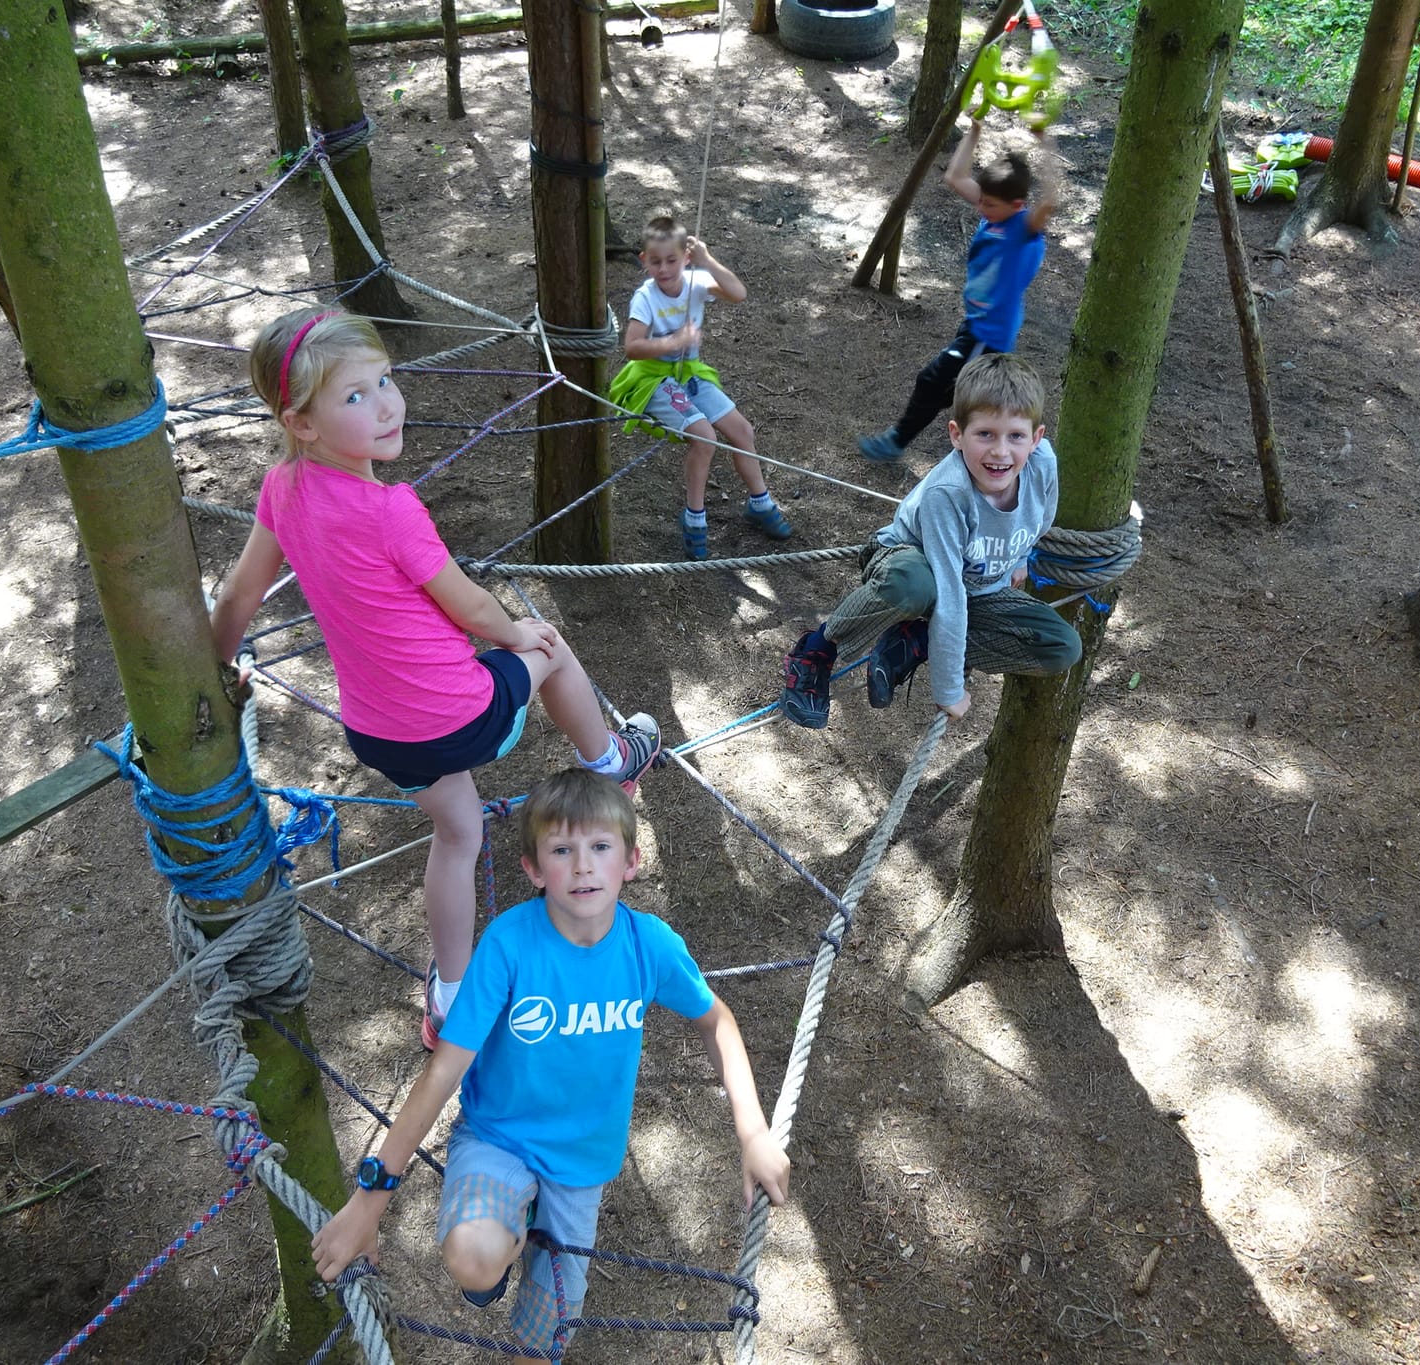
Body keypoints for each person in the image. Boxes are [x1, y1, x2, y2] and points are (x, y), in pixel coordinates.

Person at [210, 308, 664, 1049]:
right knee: (550, 645)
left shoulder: (281, 489)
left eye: (385, 380)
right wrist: (520, 634)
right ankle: (611, 762)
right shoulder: (392, 508)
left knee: (457, 832)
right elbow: (471, 603)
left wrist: (217, 664)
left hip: (380, 734)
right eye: (355, 396)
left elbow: (238, 596)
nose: (387, 402)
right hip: (460, 716)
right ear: (302, 422)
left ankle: (450, 997)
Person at [309, 769, 790, 1358]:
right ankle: (506, 1234)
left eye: (600, 848)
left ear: (631, 862)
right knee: (474, 1262)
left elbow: (717, 1021)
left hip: (582, 1162)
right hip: (498, 1137)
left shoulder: (650, 946)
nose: (583, 866)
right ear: (534, 869)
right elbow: (443, 1070)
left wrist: (754, 1135)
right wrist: (369, 1201)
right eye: (562, 850)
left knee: (543, 1339)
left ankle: (530, 1222)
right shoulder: (509, 946)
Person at [780, 351, 1081, 727]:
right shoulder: (949, 493)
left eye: (1016, 436)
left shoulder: (1042, 463)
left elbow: (1041, 515)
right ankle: (816, 651)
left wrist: (1020, 556)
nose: (1001, 451)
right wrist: (949, 690)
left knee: (1061, 646)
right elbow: (949, 594)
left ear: (1036, 439)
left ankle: (917, 639)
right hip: (909, 564)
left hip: (978, 587)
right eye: (985, 434)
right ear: (957, 435)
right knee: (915, 585)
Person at [857, 112, 1058, 464]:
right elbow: (955, 176)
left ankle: (900, 443)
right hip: (974, 325)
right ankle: (1004, 448)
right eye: (981, 200)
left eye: (989, 204)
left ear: (1017, 206)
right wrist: (975, 130)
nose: (980, 207)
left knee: (934, 382)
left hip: (989, 333)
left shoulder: (1022, 231)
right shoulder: (994, 212)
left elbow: (1051, 200)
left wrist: (1045, 140)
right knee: (961, 394)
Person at [607, 213, 793, 561]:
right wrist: (672, 342)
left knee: (742, 430)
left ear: (686, 258)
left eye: (672, 261)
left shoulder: (695, 282)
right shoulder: (645, 297)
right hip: (653, 378)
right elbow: (632, 348)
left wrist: (707, 260)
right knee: (705, 436)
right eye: (657, 262)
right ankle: (694, 518)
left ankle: (760, 503)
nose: (665, 269)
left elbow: (738, 293)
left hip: (688, 374)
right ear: (644, 261)